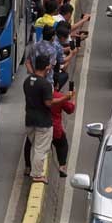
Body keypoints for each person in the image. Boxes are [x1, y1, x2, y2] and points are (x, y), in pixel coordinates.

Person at [23, 55, 73, 183]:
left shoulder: (27, 81)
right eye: (49, 65)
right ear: (47, 67)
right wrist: (65, 98)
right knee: (41, 149)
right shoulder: (44, 84)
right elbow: (48, 103)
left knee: (34, 146)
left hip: (29, 120)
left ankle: (32, 169)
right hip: (42, 122)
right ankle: (37, 175)